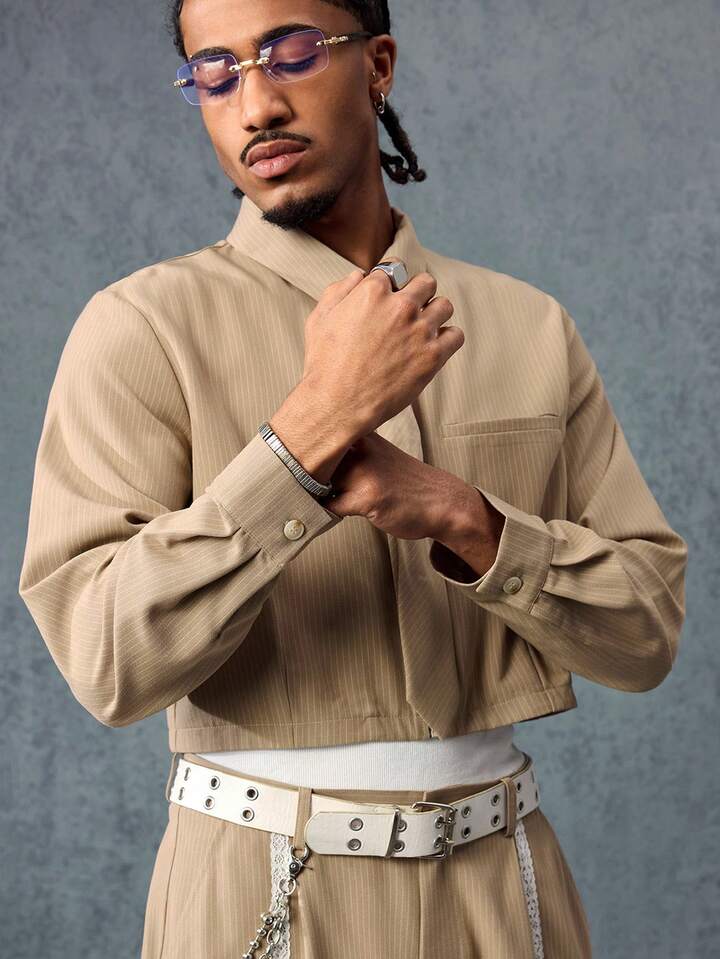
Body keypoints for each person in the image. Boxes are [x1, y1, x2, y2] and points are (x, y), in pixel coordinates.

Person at [18, 1, 688, 957]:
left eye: (290, 53)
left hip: (504, 892)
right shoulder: (140, 329)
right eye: (215, 72)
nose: (255, 105)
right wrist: (310, 432)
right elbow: (106, 662)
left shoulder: (530, 326)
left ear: (378, 66)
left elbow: (646, 637)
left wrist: (465, 517)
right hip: (258, 889)